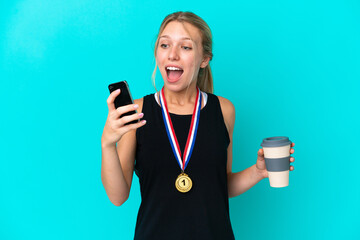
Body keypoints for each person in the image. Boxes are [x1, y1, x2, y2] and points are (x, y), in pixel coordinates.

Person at [101, 11, 295, 240]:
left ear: (204, 59)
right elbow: (118, 196)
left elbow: (219, 185)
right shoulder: (137, 111)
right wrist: (107, 144)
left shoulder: (224, 111)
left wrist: (258, 171)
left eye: (186, 47)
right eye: (165, 45)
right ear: (157, 53)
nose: (172, 55)